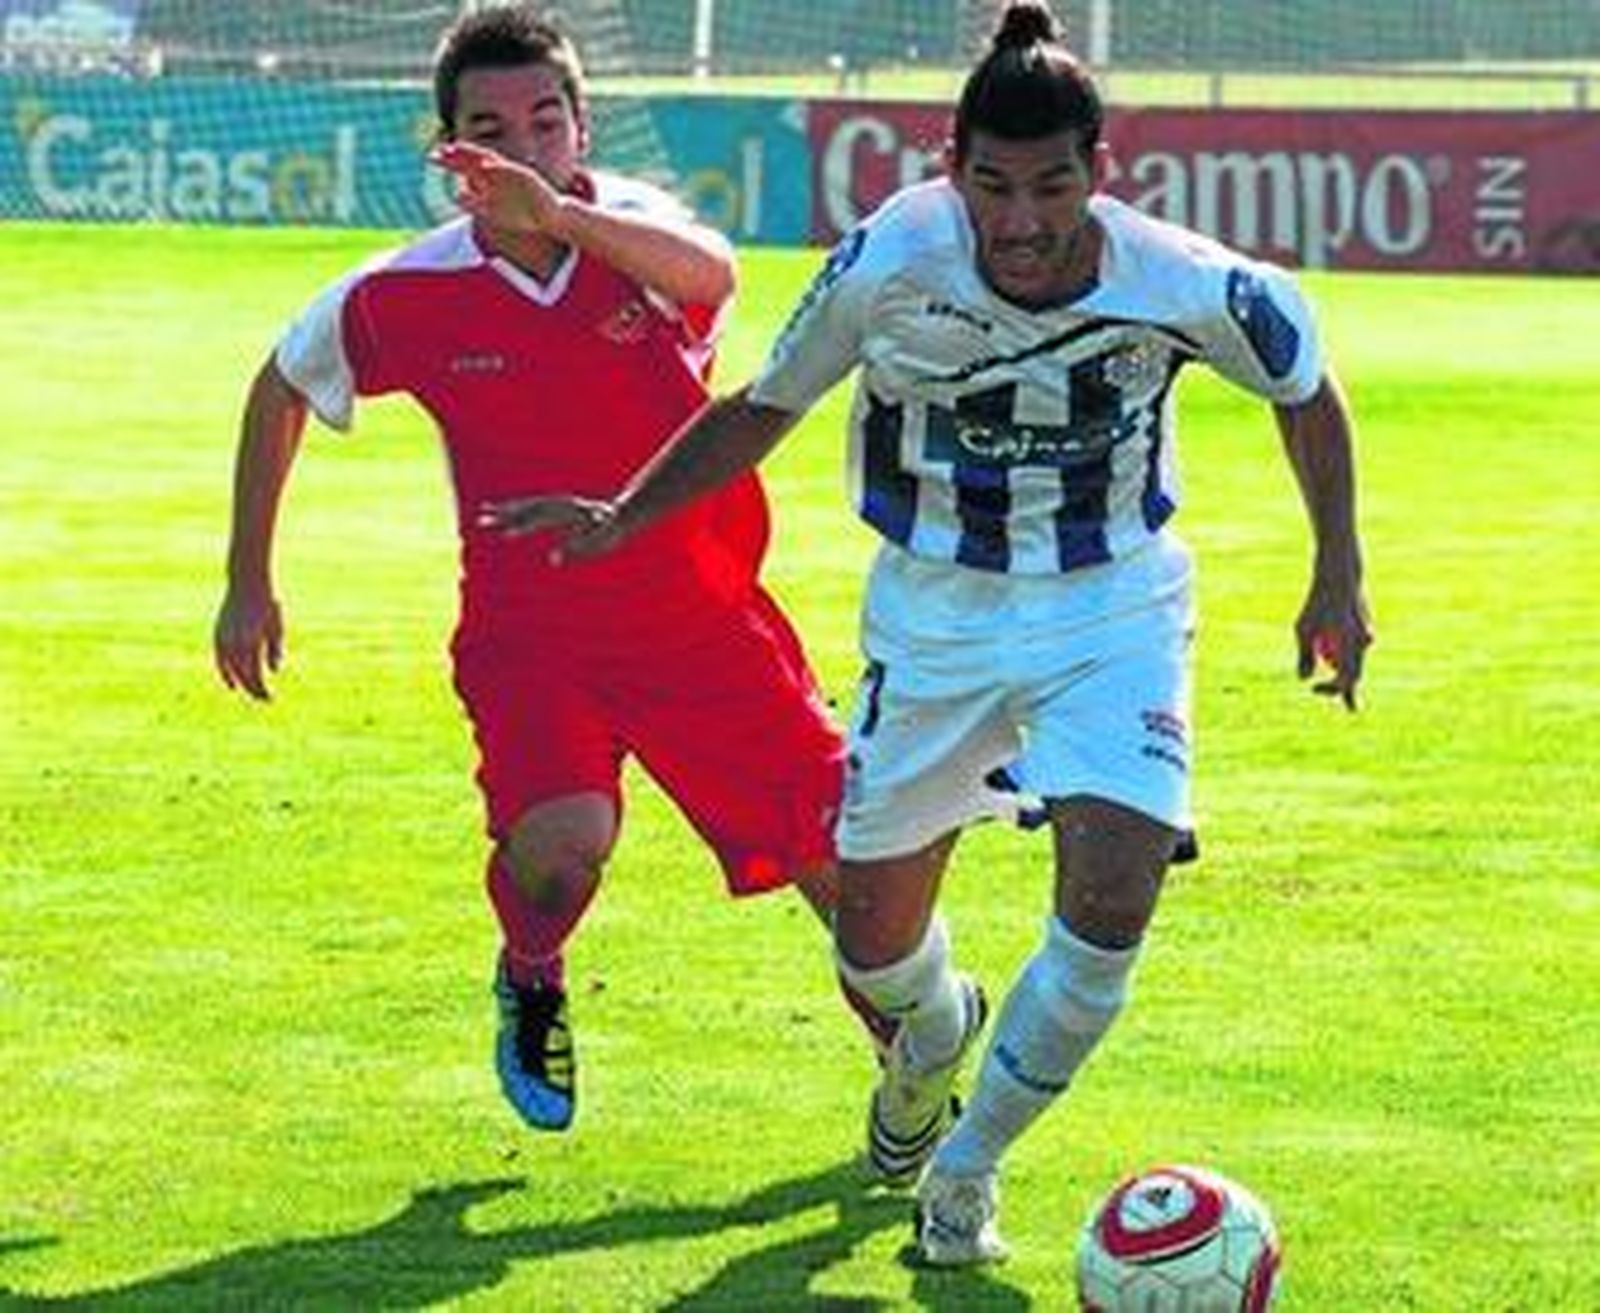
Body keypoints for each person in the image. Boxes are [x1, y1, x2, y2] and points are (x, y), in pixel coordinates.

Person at [479, 0, 1373, 1266]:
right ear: (952, 169)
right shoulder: (890, 259)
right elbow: (762, 405)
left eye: (1051, 185)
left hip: (1111, 605)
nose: (1021, 220)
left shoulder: (1179, 279)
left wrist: (1337, 568)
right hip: (934, 615)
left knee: (1112, 895)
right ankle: (934, 1034)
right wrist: (626, 513)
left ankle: (965, 1167)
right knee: (874, 945)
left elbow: (1303, 386)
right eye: (992, 186)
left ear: (1098, 171)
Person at [212, 5, 865, 1136]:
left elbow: (713, 275)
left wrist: (557, 215)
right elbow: (281, 384)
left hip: (702, 625)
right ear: (450, 153)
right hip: (533, 637)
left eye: (546, 121)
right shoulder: (403, 292)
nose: (523, 147)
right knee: (561, 855)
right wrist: (246, 577)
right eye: (491, 130)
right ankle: (530, 969)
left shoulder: (636, 233)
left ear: (581, 127)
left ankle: (920, 1078)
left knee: (849, 879)